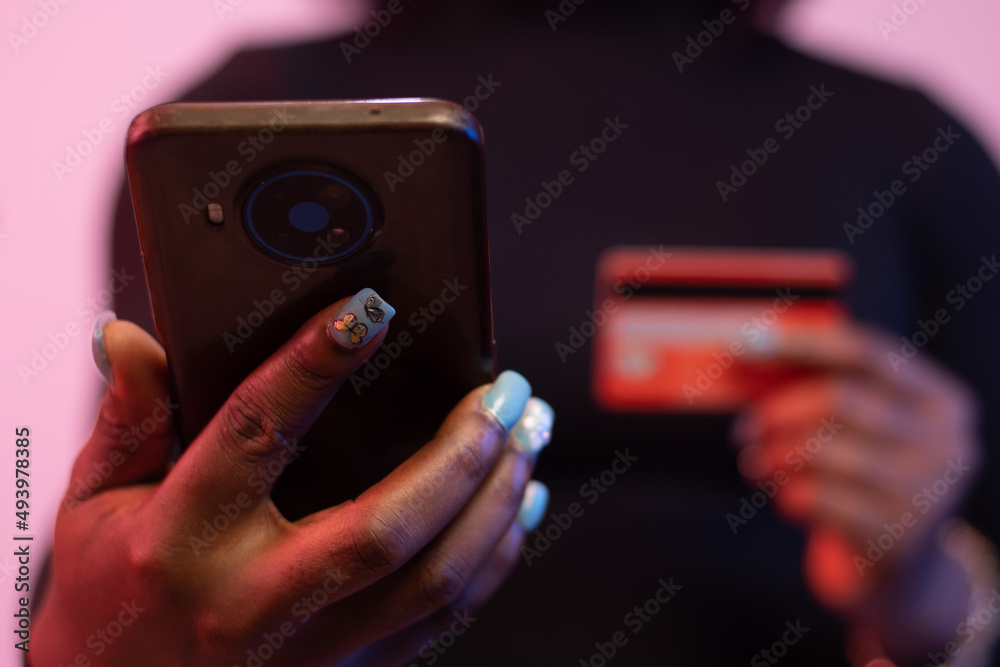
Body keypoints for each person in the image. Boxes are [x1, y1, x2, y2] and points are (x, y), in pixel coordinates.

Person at [36, 0, 1000, 664]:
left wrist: (924, 592)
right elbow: (126, 553)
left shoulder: (897, 142)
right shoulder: (240, 115)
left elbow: (972, 590)